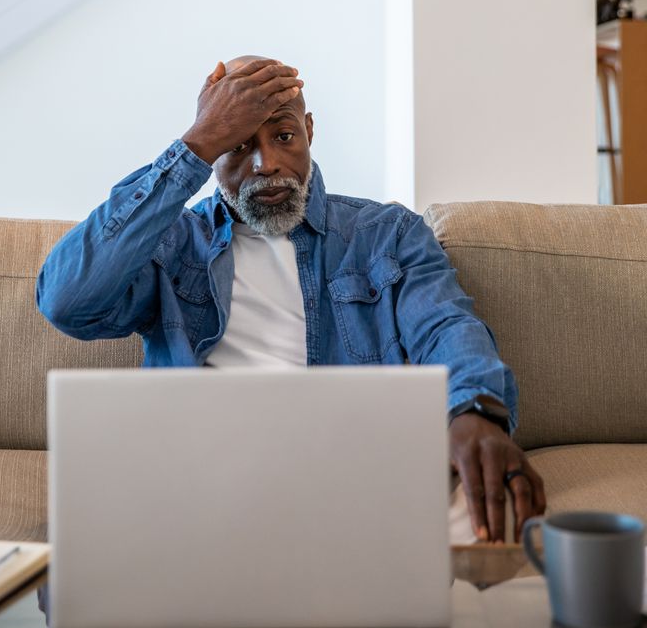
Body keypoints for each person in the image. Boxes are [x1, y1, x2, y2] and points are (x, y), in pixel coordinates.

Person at [37, 55, 545, 544]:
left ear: (310, 132)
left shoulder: (386, 234)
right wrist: (194, 146)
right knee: (90, 536)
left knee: (485, 521)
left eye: (284, 136)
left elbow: (445, 327)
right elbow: (67, 300)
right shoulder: (171, 246)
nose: (267, 164)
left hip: (350, 471)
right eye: (236, 144)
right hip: (203, 472)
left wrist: (476, 409)